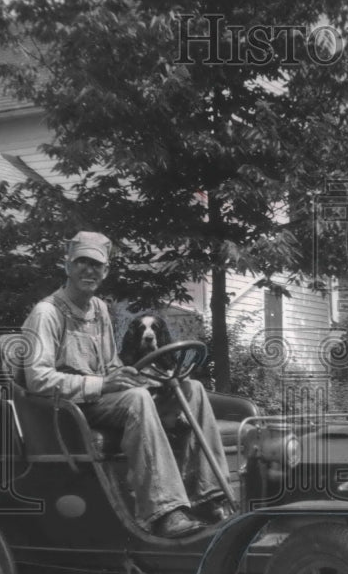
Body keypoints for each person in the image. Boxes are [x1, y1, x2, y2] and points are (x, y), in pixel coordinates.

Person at [21, 231, 229, 538]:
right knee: (136, 400)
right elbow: (37, 379)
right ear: (67, 266)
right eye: (82, 262)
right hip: (68, 411)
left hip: (104, 400)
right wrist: (103, 384)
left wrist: (144, 379)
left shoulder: (100, 310)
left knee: (191, 390)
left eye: (97, 265)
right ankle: (164, 512)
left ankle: (210, 498)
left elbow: (112, 366)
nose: (89, 270)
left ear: (105, 272)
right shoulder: (47, 313)